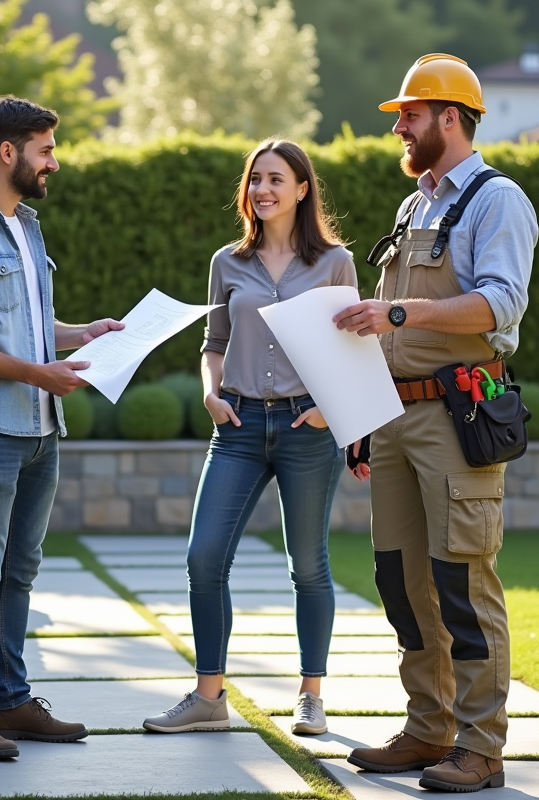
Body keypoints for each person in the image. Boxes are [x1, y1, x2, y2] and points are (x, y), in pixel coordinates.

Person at [333, 54, 538, 792]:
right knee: (400, 581)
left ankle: (481, 747)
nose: (400, 127)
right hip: (392, 415)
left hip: (457, 414)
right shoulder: (413, 206)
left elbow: (500, 304)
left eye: (410, 115)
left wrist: (399, 312)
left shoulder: (497, 200)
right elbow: (385, 333)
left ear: (450, 118)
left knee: (462, 583)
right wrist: (363, 414)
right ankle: (428, 729)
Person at [0, 95, 123, 760]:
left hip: (40, 430)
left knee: (19, 572)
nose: (54, 163)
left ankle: (9, 700)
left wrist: (81, 333)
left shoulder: (25, 227)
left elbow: (28, 325)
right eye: (45, 150)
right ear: (7, 153)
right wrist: (37, 373)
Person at [142, 140, 353, 737]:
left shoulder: (335, 262)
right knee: (204, 557)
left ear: (302, 189)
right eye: (255, 179)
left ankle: (311, 695)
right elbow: (213, 343)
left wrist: (328, 410)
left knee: (307, 564)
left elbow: (353, 347)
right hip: (236, 425)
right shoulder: (227, 262)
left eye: (276, 179)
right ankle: (209, 697)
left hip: (306, 428)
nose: (262, 189)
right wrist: (211, 393)